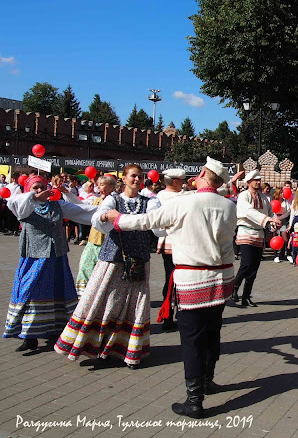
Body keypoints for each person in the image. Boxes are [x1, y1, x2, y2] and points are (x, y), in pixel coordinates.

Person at [103, 157, 236, 418]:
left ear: (203, 174)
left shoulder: (183, 202)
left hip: (193, 280)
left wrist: (117, 219)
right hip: (221, 280)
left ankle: (194, 400)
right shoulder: (228, 205)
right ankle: (208, 381)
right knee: (212, 332)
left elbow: (146, 221)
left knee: (192, 340)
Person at [55, 164, 160, 368]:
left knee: (135, 305)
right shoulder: (114, 199)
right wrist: (104, 216)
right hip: (113, 259)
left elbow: (158, 227)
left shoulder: (150, 202)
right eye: (133, 176)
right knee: (105, 300)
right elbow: (98, 219)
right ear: (125, 178)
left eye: (139, 176)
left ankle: (130, 351)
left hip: (138, 260)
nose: (136, 180)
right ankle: (98, 347)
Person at [4, 175, 97, 351]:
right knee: (30, 294)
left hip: (56, 257)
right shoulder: (24, 206)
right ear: (27, 190)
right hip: (34, 258)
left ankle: (57, 329)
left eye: (42, 187)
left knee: (58, 291)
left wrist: (107, 213)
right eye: (35, 188)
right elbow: (12, 203)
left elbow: (83, 211)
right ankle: (29, 336)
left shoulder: (57, 205)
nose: (39, 191)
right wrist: (33, 197)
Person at [232, 170, 281, 307]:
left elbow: (271, 212)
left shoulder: (264, 198)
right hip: (246, 232)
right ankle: (234, 288)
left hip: (259, 234)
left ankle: (246, 296)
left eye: (259, 180)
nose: (258, 182)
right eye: (255, 180)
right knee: (246, 264)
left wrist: (275, 220)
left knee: (254, 268)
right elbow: (248, 212)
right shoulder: (244, 196)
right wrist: (267, 219)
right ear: (248, 182)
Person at [69, 175, 117, 296]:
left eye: (102, 185)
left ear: (111, 187)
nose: (99, 187)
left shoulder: (116, 201)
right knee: (85, 268)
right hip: (92, 241)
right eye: (99, 185)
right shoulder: (95, 200)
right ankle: (83, 296)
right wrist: (67, 193)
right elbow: (80, 206)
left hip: (108, 243)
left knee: (103, 274)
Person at [155, 168, 187, 331]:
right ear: (175, 181)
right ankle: (170, 316)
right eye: (181, 180)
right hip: (175, 243)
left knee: (171, 279)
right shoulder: (178, 196)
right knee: (174, 280)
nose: (183, 183)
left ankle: (170, 315)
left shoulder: (159, 196)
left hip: (171, 243)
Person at [272, 187, 291, 263]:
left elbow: (288, 212)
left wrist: (280, 218)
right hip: (274, 220)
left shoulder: (285, 202)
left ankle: (287, 254)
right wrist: (274, 221)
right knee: (275, 239)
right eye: (281, 193)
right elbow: (272, 212)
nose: (283, 194)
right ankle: (276, 255)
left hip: (283, 220)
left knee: (285, 239)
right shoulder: (274, 202)